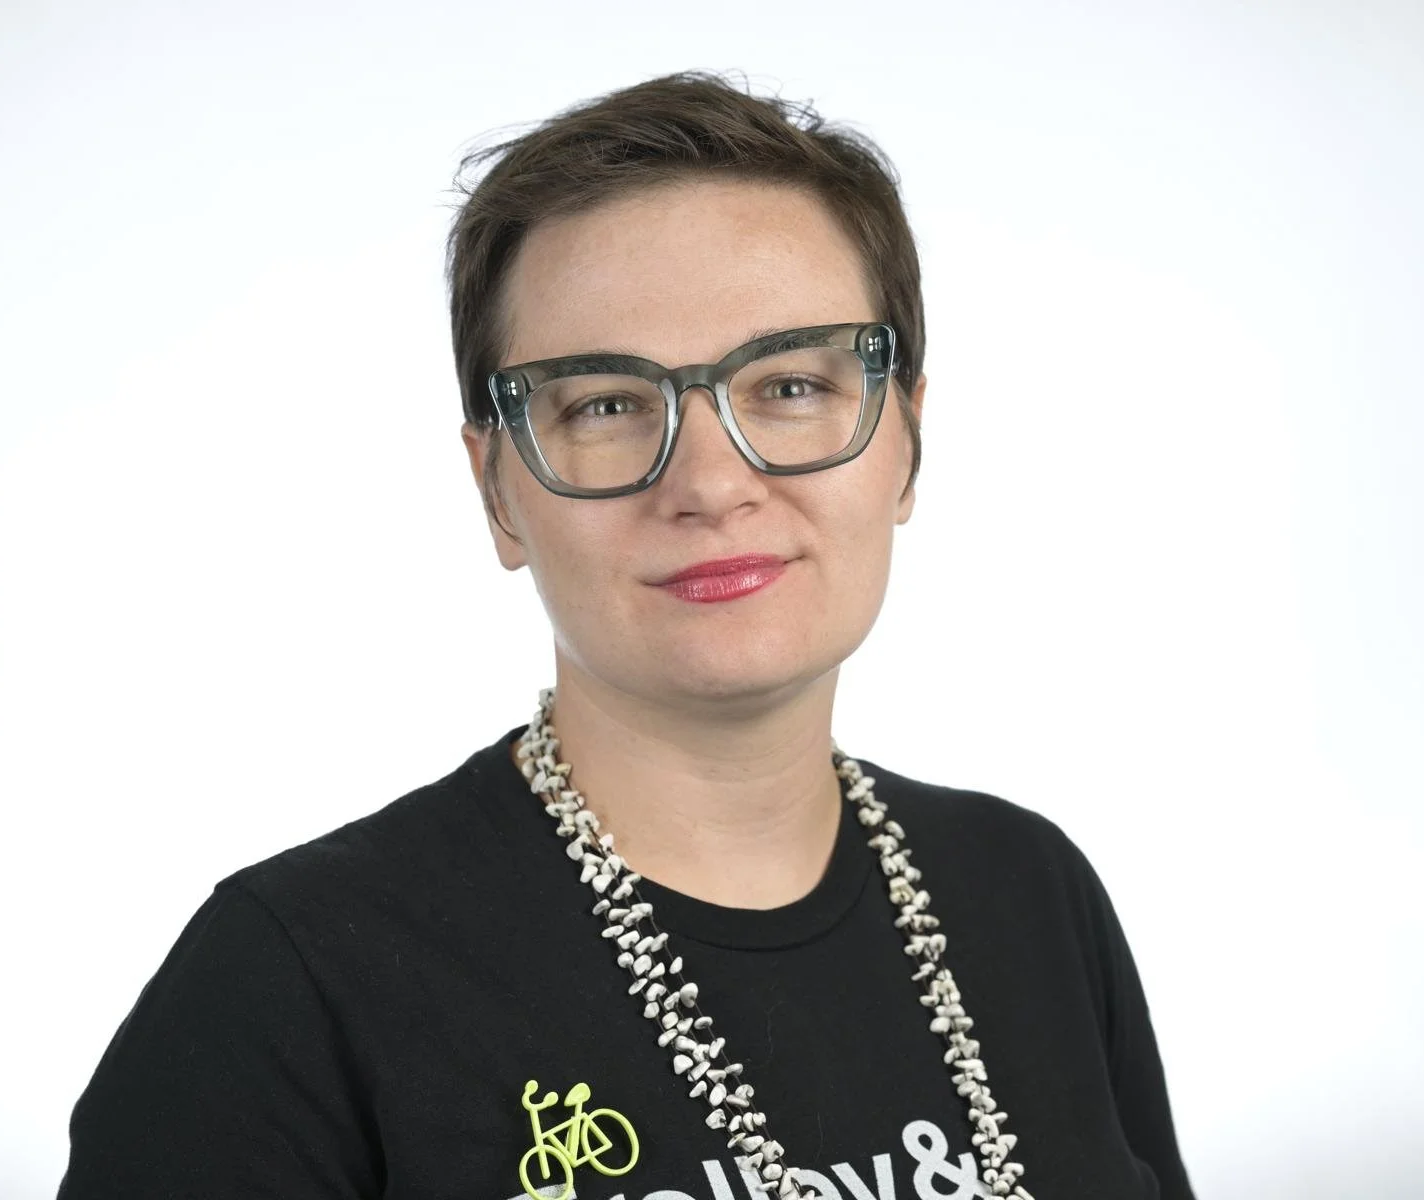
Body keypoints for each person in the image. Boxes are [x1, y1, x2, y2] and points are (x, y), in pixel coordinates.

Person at [58, 71, 1196, 1200]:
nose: (710, 482)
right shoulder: (289, 986)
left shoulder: (1029, 898)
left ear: (906, 441)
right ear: (499, 490)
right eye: (604, 404)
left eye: (791, 384)